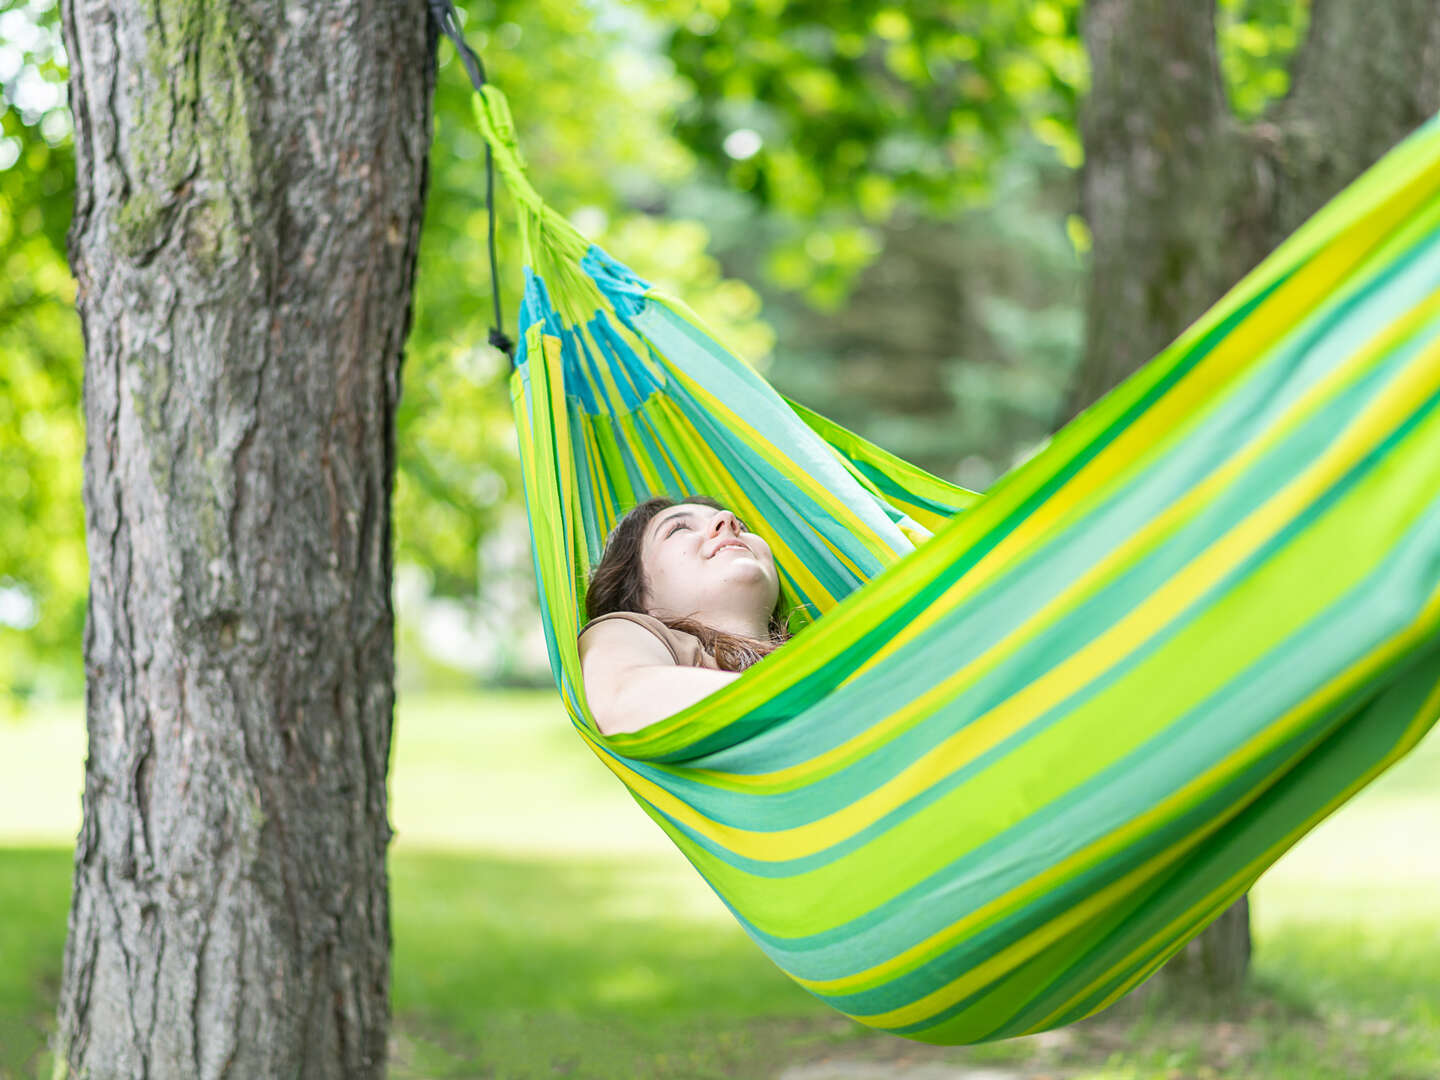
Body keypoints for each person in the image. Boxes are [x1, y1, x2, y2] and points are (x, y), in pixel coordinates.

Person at [578, 494, 798, 736]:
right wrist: (809, 698)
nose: (728, 520)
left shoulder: (819, 646)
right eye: (679, 529)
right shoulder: (622, 631)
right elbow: (621, 702)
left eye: (742, 527)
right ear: (637, 596)